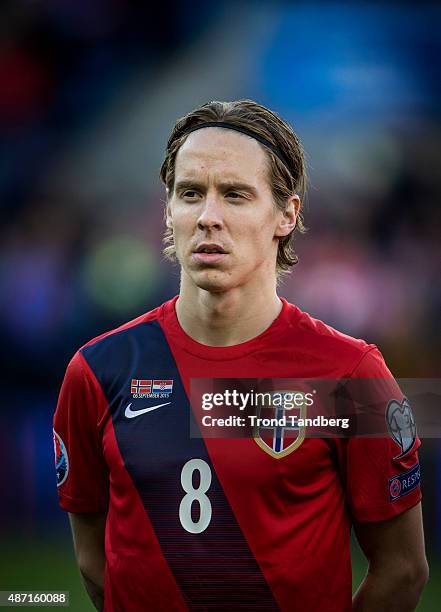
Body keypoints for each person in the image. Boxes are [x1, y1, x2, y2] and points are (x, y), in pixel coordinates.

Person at [53, 100, 428, 611]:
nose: (209, 217)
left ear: (286, 215)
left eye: (235, 195)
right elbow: (95, 562)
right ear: (168, 210)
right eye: (190, 194)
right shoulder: (98, 370)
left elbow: (403, 570)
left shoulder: (350, 374)